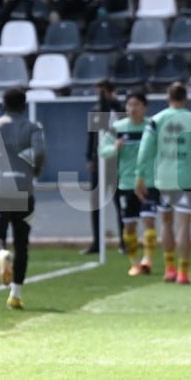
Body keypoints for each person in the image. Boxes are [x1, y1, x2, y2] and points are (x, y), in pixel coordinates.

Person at [135, 82, 191, 285]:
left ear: (167, 98)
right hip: (187, 179)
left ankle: (169, 268)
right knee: (185, 226)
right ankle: (183, 271)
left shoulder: (156, 120)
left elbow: (144, 150)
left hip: (164, 179)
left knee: (166, 223)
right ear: (185, 98)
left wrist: (140, 176)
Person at [0, 86, 46, 310]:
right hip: (24, 190)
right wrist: (33, 171)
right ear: (24, 106)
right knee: (22, 244)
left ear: (3, 105)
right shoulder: (32, 127)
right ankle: (15, 295)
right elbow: (41, 152)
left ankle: (1, 254)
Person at [99, 90, 158, 276]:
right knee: (129, 225)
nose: (132, 109)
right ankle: (134, 262)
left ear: (145, 107)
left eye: (136, 105)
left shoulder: (152, 126)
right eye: (129, 105)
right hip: (126, 183)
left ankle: (147, 259)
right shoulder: (117, 128)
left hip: (149, 182)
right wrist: (114, 148)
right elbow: (102, 150)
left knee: (149, 220)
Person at [83, 80, 123, 254]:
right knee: (96, 203)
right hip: (99, 160)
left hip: (116, 161)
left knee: (120, 203)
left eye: (101, 92)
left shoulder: (120, 109)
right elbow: (91, 136)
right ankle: (97, 242)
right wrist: (89, 157)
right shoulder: (95, 110)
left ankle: (125, 241)